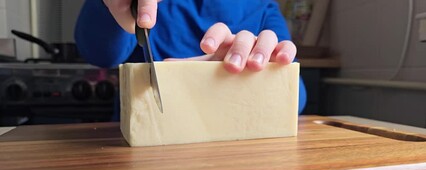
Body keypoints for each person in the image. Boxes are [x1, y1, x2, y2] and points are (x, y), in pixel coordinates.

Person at [75, 0, 307, 117]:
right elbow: (100, 54)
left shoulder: (261, 6)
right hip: (138, 152)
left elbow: (296, 95)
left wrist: (245, 69)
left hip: (233, 157)